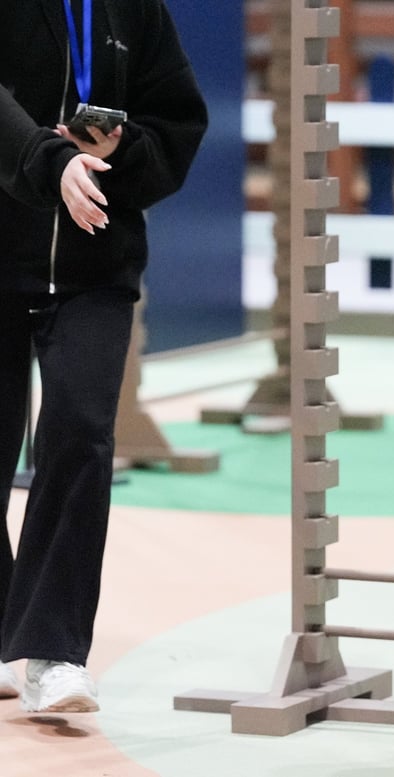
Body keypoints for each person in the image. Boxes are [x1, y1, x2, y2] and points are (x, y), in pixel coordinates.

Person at [0, 0, 207, 712]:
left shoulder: (135, 9)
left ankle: (55, 652)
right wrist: (50, 160)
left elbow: (178, 126)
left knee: (81, 436)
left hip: (96, 266)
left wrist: (122, 147)